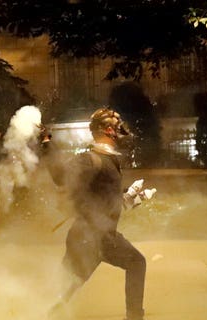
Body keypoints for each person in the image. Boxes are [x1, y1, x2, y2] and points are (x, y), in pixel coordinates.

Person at [44, 108, 151, 320]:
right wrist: (47, 142)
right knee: (137, 263)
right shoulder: (89, 159)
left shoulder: (109, 159)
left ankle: (47, 314)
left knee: (71, 285)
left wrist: (131, 197)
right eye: (117, 126)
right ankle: (134, 317)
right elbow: (60, 176)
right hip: (93, 236)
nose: (121, 130)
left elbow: (105, 199)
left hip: (94, 235)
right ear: (108, 130)